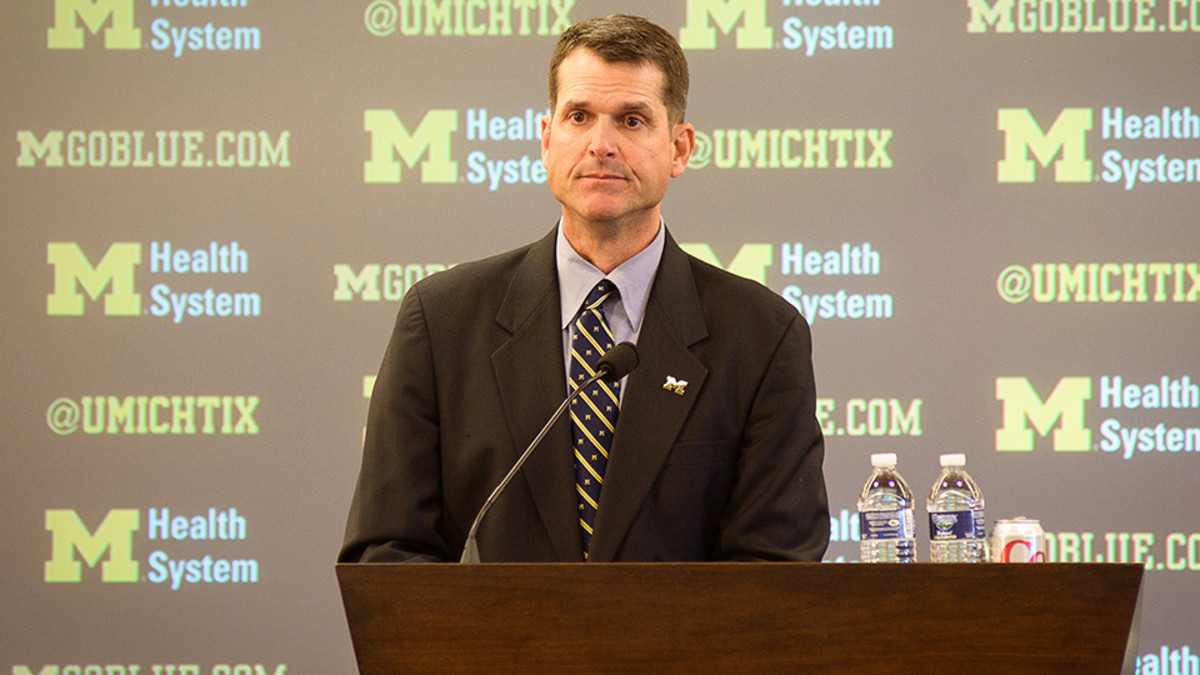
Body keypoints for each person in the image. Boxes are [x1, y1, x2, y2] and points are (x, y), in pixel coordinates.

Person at [339, 14, 828, 564]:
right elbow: (386, 552)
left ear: (680, 148)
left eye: (632, 120)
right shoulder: (440, 322)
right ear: (547, 140)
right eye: (579, 117)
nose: (601, 144)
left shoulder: (763, 336)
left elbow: (776, 566)